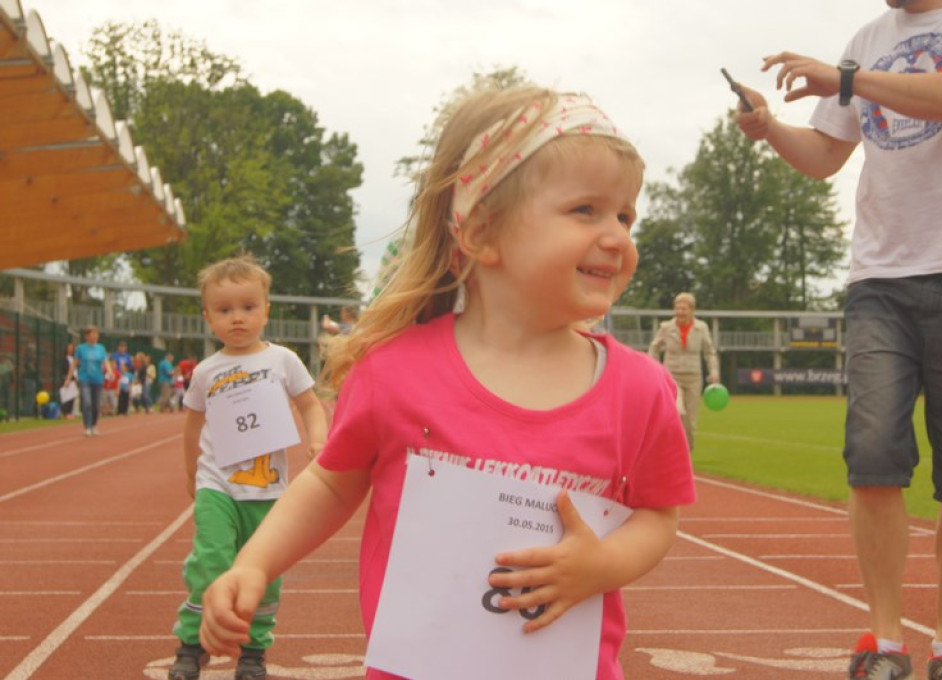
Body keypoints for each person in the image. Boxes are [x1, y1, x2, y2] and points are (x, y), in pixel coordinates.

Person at [198, 87, 696, 680]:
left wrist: (603, 563)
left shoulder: (640, 388)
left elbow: (658, 515)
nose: (617, 235)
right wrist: (252, 564)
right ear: (482, 232)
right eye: (586, 210)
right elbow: (331, 485)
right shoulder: (393, 374)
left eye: (625, 214)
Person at [735, 2, 942, 678]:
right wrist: (770, 126)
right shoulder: (867, 39)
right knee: (872, 456)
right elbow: (824, 157)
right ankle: (886, 641)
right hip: (880, 281)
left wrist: (849, 78)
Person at [167, 255, 327, 680]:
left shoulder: (284, 361)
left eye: (248, 307)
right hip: (217, 485)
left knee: (265, 572)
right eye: (224, 310)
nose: (237, 318)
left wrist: (318, 437)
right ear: (207, 317)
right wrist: (191, 474)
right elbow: (192, 425)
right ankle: (190, 644)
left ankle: (253, 652)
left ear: (266, 309)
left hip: (269, 491)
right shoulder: (205, 372)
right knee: (211, 560)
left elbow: (310, 405)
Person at [647, 292, 720, 449]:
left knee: (690, 423)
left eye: (684, 309)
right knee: (678, 412)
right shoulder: (666, 327)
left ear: (692, 310)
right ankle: (674, 452)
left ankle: (686, 455)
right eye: (677, 308)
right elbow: (654, 348)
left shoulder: (701, 328)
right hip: (672, 376)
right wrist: (655, 368)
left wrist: (713, 371)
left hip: (694, 377)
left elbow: (709, 352)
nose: (680, 312)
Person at [72, 326, 112, 436]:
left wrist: (110, 372)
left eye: (96, 334)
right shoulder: (81, 348)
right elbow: (74, 363)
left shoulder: (101, 348)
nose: (95, 336)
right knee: (87, 402)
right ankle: (87, 426)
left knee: (95, 404)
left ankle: (94, 424)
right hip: (84, 378)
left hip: (97, 379)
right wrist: (68, 378)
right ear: (87, 336)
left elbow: (105, 361)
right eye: (93, 334)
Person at [60, 342, 78, 419]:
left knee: (73, 396)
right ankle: (65, 412)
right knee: (66, 396)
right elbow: (64, 369)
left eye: (72, 349)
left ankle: (70, 411)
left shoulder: (75, 359)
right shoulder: (64, 359)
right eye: (69, 348)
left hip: (75, 380)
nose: (70, 350)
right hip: (67, 380)